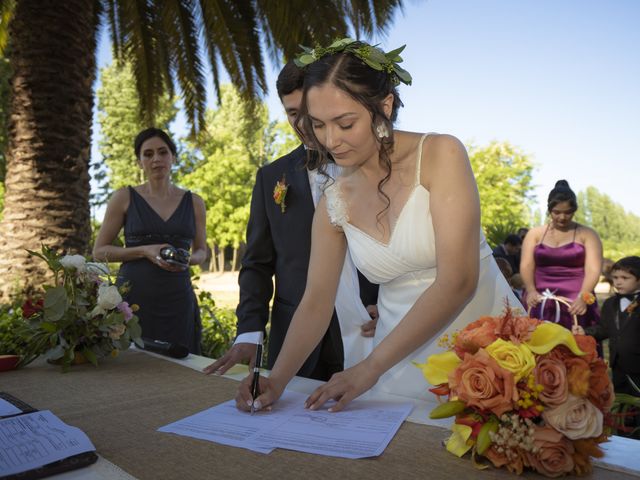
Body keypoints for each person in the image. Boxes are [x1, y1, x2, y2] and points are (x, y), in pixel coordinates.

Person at [235, 38, 522, 413]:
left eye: (345, 123)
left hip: (487, 345)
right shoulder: (333, 202)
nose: (330, 140)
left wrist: (368, 367)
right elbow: (316, 302)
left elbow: (458, 281)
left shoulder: (441, 155)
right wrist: (277, 379)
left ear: (383, 106)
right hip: (397, 362)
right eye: (318, 125)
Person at [204, 61, 379, 381]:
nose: (301, 123)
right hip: (295, 341)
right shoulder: (270, 177)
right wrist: (249, 332)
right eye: (291, 113)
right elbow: (257, 263)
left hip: (369, 334)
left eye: (307, 110)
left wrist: (388, 306)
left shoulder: (374, 167)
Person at [93, 128, 207, 354]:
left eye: (163, 152)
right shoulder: (123, 198)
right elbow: (99, 251)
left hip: (178, 298)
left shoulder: (194, 202)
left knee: (182, 367)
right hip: (133, 299)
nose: (156, 159)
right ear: (139, 162)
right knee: (132, 368)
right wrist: (145, 251)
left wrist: (189, 259)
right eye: (148, 154)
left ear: (173, 157)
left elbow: (202, 250)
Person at [520, 180, 602, 330]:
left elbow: (593, 269)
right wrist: (531, 290)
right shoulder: (535, 234)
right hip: (538, 297)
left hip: (576, 299)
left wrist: (583, 297)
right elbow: (526, 265)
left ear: (574, 210)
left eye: (568, 212)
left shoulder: (588, 234)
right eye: (557, 212)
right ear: (549, 210)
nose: (562, 217)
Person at [573, 256, 640, 398]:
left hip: (638, 365)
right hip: (618, 365)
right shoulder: (610, 304)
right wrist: (585, 332)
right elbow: (604, 328)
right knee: (623, 402)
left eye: (625, 278)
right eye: (615, 277)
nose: (618, 282)